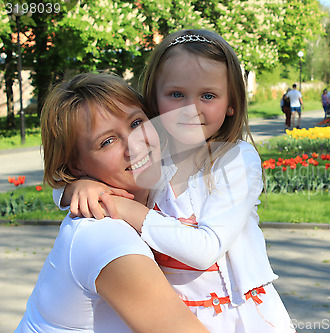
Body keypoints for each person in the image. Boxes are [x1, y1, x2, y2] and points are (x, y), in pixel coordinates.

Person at [57, 30, 294, 332]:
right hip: (176, 312)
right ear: (153, 98)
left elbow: (205, 250)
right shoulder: (152, 152)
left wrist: (124, 208)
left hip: (239, 311)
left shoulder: (235, 160)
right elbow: (69, 189)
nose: (190, 109)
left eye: (208, 96)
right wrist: (76, 188)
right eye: (176, 94)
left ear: (231, 103)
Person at [15, 73, 209, 333]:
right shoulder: (104, 236)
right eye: (107, 142)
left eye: (137, 122)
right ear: (75, 165)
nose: (135, 144)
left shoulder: (161, 190)